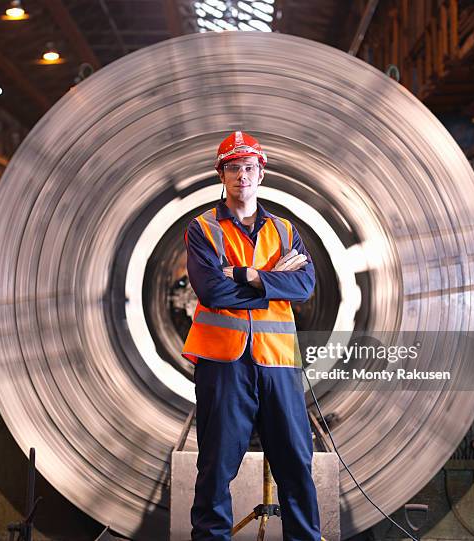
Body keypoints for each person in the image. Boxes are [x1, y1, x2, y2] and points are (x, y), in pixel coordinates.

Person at [182, 131, 321, 541]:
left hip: (277, 362)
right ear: (221, 175)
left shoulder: (284, 229)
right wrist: (274, 281)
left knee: (296, 463)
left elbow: (305, 285)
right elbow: (211, 291)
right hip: (223, 364)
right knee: (216, 467)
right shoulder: (202, 229)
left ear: (261, 173)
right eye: (232, 168)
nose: (241, 175)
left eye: (248, 167)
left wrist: (246, 275)